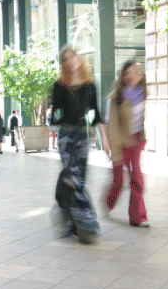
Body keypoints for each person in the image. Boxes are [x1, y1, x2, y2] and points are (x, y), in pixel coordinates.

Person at [51, 45, 109, 243]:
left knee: (79, 180)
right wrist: (53, 118)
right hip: (66, 135)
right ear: (63, 64)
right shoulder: (59, 85)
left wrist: (105, 140)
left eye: (71, 56)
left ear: (78, 58)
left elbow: (96, 115)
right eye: (65, 59)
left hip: (83, 136)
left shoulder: (90, 85)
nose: (70, 61)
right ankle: (85, 222)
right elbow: (55, 114)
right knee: (71, 178)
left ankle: (71, 222)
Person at [105, 60, 149, 227]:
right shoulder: (116, 98)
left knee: (137, 179)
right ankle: (109, 202)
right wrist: (115, 154)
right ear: (123, 76)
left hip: (135, 141)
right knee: (118, 182)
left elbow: (140, 118)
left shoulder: (142, 93)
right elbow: (113, 127)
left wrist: (143, 137)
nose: (132, 75)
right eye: (128, 73)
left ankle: (138, 217)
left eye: (135, 71)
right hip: (121, 143)